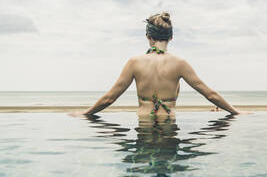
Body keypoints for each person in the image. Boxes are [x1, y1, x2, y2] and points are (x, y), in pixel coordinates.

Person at [71, 12, 245, 118]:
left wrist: (85, 113)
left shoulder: (134, 62)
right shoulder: (180, 64)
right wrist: (236, 112)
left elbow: (110, 98)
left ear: (148, 36)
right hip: (168, 124)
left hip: (144, 124)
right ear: (170, 37)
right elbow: (210, 94)